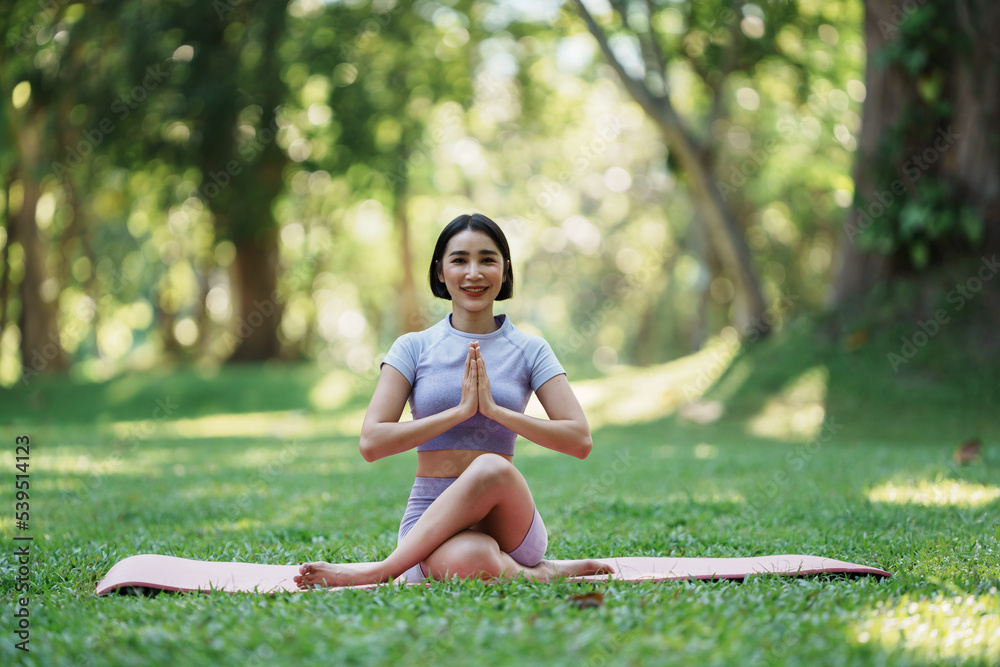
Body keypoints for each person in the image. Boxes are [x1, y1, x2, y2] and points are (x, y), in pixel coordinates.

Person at [295, 213, 612, 588]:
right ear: (441, 272)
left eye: (487, 259)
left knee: (490, 467)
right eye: (459, 260)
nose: (473, 273)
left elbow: (579, 440)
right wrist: (459, 412)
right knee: (471, 561)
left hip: (509, 521)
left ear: (505, 271)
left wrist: (496, 412)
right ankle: (543, 572)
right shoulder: (412, 347)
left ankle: (378, 571)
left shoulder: (530, 349)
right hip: (429, 519)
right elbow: (371, 443)